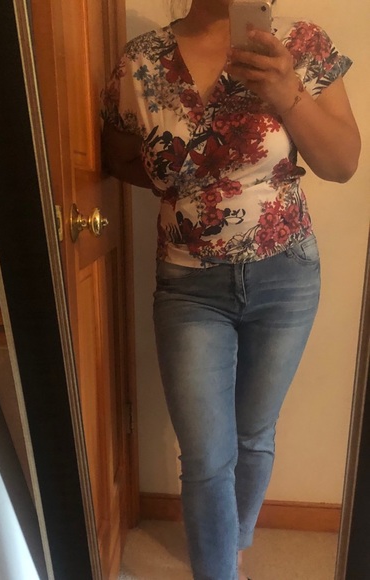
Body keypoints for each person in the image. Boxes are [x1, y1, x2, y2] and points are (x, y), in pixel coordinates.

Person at [101, 1, 360, 578]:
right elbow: (116, 157)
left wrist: (288, 94)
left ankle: (234, 542)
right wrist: (191, 187)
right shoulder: (141, 62)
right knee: (205, 456)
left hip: (286, 276)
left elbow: (343, 164)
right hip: (189, 285)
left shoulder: (303, 44)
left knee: (254, 433)